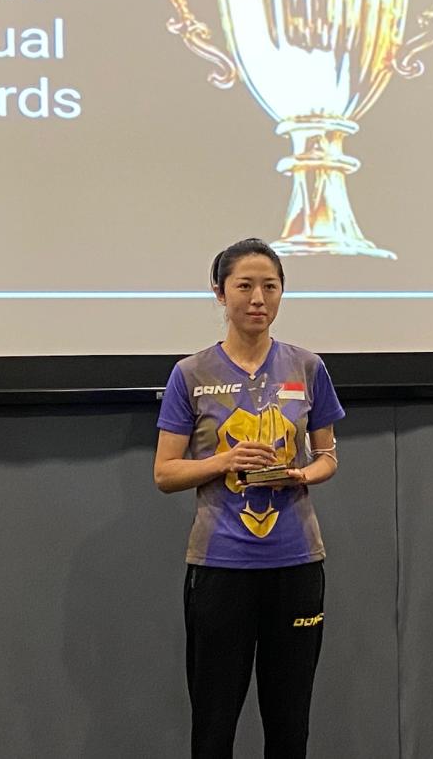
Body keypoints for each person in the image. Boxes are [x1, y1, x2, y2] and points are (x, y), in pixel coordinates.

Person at [154, 238, 344, 759]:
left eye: (270, 286)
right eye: (244, 286)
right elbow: (165, 472)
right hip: (220, 565)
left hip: (297, 564)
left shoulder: (307, 367)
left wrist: (302, 474)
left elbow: (328, 455)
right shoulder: (190, 374)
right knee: (214, 726)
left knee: (290, 725)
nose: (258, 298)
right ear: (220, 294)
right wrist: (224, 462)